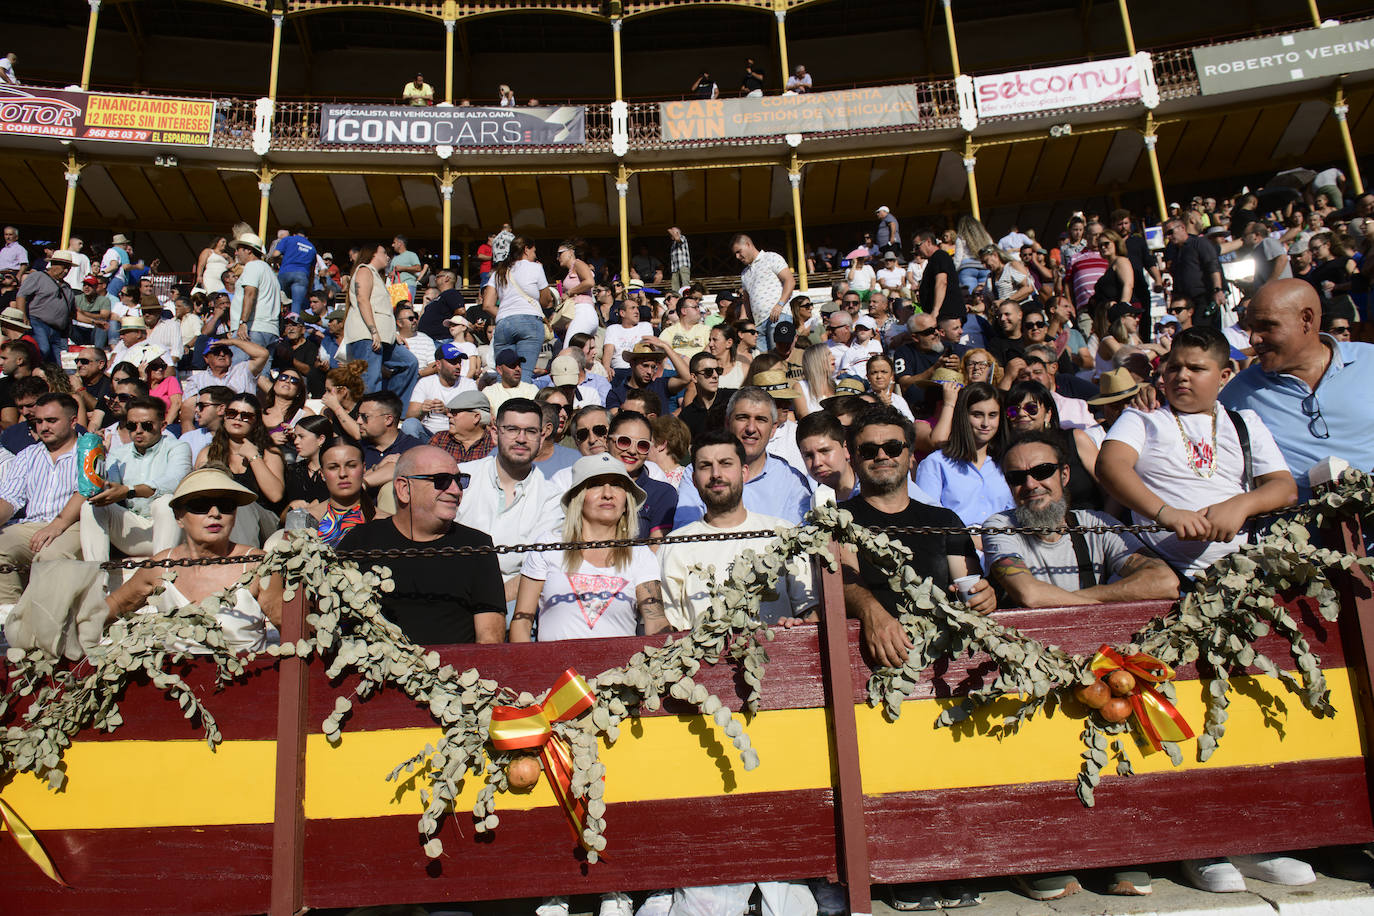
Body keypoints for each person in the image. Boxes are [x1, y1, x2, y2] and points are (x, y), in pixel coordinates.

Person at [1098, 326, 1297, 579]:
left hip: (1242, 574)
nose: (1182, 376)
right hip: (1160, 573)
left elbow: (1284, 487)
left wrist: (1241, 505)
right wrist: (1165, 513)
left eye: (1196, 369)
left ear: (1224, 376)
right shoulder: (1142, 416)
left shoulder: (1245, 422)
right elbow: (1110, 465)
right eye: (1174, 367)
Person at [839, 406, 995, 667]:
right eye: (868, 450)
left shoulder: (945, 521)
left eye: (893, 447)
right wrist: (870, 610)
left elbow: (968, 585)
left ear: (910, 455)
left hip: (942, 661)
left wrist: (983, 596)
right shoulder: (839, 519)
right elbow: (843, 577)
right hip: (868, 663)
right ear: (853, 459)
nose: (881, 455)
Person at [985, 431, 1177, 606]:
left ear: (1064, 475)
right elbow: (1029, 595)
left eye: (1042, 471)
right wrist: (1104, 601)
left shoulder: (1098, 524)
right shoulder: (1000, 527)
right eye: (1016, 477)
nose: (1030, 484)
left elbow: (1165, 581)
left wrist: (1088, 598)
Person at [1219, 279, 1374, 496]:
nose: (1254, 339)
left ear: (1306, 319)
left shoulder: (1369, 361)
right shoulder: (1240, 391)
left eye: (1266, 326)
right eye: (1252, 328)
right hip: (1293, 525)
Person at [104, 467, 283, 654]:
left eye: (226, 505)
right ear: (178, 517)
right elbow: (114, 606)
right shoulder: (160, 567)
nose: (215, 513)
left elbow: (290, 629)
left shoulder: (258, 566)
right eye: (200, 505)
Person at [339, 446, 506, 644]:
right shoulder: (361, 542)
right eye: (441, 480)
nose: (455, 490)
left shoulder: (477, 545)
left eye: (459, 481)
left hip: (455, 672)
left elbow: (490, 637)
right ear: (404, 488)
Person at [659, 429, 817, 629]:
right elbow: (670, 630)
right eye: (705, 466)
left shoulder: (784, 533)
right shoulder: (674, 547)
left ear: (744, 472)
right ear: (694, 479)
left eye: (726, 464)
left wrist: (797, 626)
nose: (716, 474)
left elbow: (810, 613)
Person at [511, 450, 666, 643]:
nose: (608, 494)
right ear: (579, 497)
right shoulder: (548, 545)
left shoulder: (641, 555)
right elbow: (521, 623)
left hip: (619, 671)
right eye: (596, 485)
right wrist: (530, 670)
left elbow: (655, 621)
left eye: (617, 486)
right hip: (554, 671)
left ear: (627, 502)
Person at [457, 398, 564, 604]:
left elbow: (535, 567)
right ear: (495, 434)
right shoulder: (461, 478)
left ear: (542, 438)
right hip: (453, 590)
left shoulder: (552, 498)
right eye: (512, 429)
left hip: (510, 600)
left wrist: (488, 606)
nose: (521, 438)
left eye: (531, 431)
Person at [674, 387, 811, 528]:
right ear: (727, 423)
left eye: (761, 419)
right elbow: (687, 534)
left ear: (773, 429)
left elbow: (797, 540)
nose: (751, 428)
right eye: (743, 418)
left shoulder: (792, 481)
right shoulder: (702, 471)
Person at [78, 394, 193, 561]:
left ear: (163, 426)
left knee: (165, 502)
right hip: (136, 529)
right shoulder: (118, 454)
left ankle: (162, 575)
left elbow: (174, 482)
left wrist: (129, 491)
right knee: (91, 506)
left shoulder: (178, 447)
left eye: (146, 425)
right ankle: (96, 577)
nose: (138, 430)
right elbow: (109, 489)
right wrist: (99, 457)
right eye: (132, 425)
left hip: (173, 529)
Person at [0, 393, 87, 605]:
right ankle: (8, 622)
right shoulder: (28, 454)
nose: (44, 427)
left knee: (50, 556)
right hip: (31, 525)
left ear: (73, 421)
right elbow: (9, 497)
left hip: (73, 525)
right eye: (39, 421)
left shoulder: (89, 450)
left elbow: (86, 492)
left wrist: (57, 525)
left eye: (51, 420)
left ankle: (46, 624)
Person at [914, 382, 1014, 529]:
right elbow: (928, 519)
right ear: (963, 416)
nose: (985, 423)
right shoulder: (936, 463)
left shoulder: (1005, 463)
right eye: (977, 415)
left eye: (992, 415)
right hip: (955, 548)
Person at [194, 392, 287, 528]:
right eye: (232, 413)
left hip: (263, 520)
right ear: (225, 417)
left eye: (246, 416)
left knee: (239, 506)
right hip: (220, 517)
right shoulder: (208, 453)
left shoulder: (269, 453)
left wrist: (254, 457)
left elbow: (275, 495)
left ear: (256, 421)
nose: (237, 419)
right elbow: (196, 492)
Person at [345, 243, 420, 400]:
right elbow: (362, 299)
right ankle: (370, 416)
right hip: (368, 336)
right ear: (373, 254)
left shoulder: (376, 276)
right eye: (384, 252)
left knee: (409, 363)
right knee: (369, 382)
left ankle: (388, 406)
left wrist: (393, 334)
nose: (388, 256)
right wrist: (374, 331)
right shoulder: (364, 270)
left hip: (384, 337)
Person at [483, 235, 551, 384]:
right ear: (526, 250)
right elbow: (546, 301)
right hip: (530, 323)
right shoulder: (536, 267)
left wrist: (505, 314)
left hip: (503, 323)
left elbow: (487, 304)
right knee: (524, 376)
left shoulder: (499, 271)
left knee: (503, 377)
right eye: (534, 251)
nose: (535, 255)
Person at [294, 440, 384, 546]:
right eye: (333, 467)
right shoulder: (300, 519)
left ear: (364, 468)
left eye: (351, 465)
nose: (342, 474)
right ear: (322, 474)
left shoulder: (385, 521)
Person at [606, 409, 678, 540]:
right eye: (624, 441)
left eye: (642, 445)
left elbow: (656, 550)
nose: (632, 451)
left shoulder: (662, 494)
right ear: (608, 441)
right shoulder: (587, 486)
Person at [733, 233, 795, 351]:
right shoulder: (744, 273)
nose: (737, 256)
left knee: (780, 359)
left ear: (748, 244)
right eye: (735, 253)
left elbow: (790, 281)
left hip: (778, 316)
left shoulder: (771, 257)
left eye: (739, 251)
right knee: (764, 365)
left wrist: (780, 305)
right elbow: (746, 300)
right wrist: (747, 322)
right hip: (758, 324)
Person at [14, 247, 75, 364]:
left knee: (58, 362)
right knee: (42, 350)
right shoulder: (38, 277)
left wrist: (92, 321)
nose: (66, 271)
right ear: (53, 264)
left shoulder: (67, 287)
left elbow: (74, 312)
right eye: (64, 267)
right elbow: (21, 295)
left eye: (69, 268)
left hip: (58, 330)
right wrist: (23, 316)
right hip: (38, 323)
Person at [356, 391, 427, 490]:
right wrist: (377, 468)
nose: (358, 421)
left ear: (388, 420)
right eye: (358, 415)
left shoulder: (414, 449)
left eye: (365, 417)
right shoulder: (356, 449)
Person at [1164, 217, 1225, 329]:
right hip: (1186, 303)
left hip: (1204, 298)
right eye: (1166, 234)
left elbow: (1213, 266)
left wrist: (1218, 290)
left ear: (1182, 228)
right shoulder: (1175, 251)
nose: (1168, 237)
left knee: (1207, 332)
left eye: (1170, 232)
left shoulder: (1199, 243)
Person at [230, 232, 283, 354]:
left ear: (248, 250)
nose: (236, 253)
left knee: (239, 370)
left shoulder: (252, 266)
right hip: (270, 330)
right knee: (261, 373)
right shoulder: (270, 272)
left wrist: (243, 323)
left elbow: (250, 294)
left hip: (252, 329)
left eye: (238, 249)